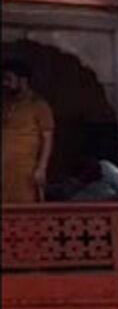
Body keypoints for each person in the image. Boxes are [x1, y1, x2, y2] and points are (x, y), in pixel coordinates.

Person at [2, 59, 56, 203]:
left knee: (24, 207)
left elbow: (47, 138)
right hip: (4, 166)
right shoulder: (5, 103)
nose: (4, 84)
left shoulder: (38, 105)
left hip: (25, 168)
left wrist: (42, 168)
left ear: (23, 80)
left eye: (8, 79)